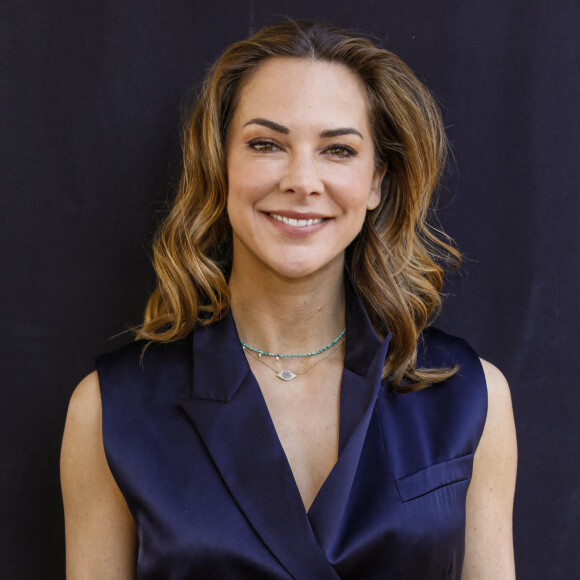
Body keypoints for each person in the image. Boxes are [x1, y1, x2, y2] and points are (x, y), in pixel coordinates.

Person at [60, 20, 517, 579]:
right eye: (266, 144)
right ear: (220, 164)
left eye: (338, 150)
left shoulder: (472, 396)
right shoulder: (110, 409)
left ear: (376, 181)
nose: (303, 180)